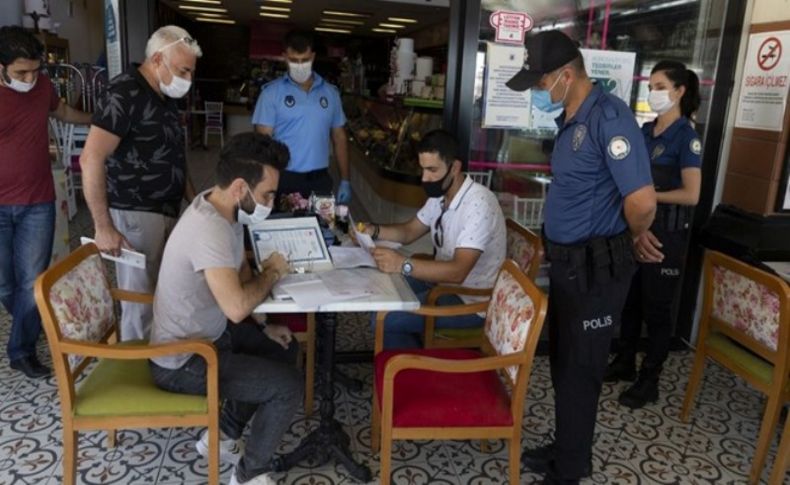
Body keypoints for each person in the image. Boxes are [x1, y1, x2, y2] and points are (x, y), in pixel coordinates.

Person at [506, 31, 656, 484]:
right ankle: (568, 447)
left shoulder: (610, 117)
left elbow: (643, 201)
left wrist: (631, 236)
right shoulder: (572, 116)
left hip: (597, 266)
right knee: (564, 362)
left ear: (566, 75)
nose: (536, 91)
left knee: (582, 369)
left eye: (540, 82)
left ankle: (571, 469)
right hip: (570, 263)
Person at [149, 132, 302, 485]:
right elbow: (235, 306)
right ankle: (250, 475)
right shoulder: (209, 229)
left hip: (212, 333)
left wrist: (263, 326)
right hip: (183, 359)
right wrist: (274, 271)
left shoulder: (222, 209)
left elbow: (241, 274)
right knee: (287, 386)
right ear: (239, 187)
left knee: (284, 348)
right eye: (266, 194)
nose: (270, 202)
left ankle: (223, 437)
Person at [81, 25, 200, 341]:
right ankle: (138, 369)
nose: (187, 80)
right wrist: (103, 227)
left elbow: (174, 157)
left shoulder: (165, 96)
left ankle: (163, 362)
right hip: (135, 212)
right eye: (183, 71)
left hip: (168, 209)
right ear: (158, 59)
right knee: (140, 300)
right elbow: (91, 158)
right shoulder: (124, 93)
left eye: (190, 73)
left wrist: (196, 202)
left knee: (167, 291)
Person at [605, 61, 702, 409]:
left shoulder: (686, 138)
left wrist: (645, 194)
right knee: (631, 299)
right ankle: (625, 361)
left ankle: (651, 379)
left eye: (660, 86)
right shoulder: (645, 132)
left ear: (679, 92)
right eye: (651, 85)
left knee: (657, 309)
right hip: (636, 228)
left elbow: (691, 195)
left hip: (666, 235)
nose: (653, 92)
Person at [359, 129, 506, 349]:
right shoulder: (441, 196)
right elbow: (409, 231)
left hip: (471, 300)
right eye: (422, 169)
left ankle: (410, 372)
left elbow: (458, 272)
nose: (425, 178)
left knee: (386, 317)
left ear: (455, 168)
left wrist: (402, 264)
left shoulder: (479, 204)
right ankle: (409, 362)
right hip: (442, 284)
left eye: (432, 170)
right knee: (380, 292)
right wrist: (373, 231)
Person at [0, 26, 91, 378]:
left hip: (37, 200)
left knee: (30, 281)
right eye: (21, 72)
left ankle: (20, 349)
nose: (30, 78)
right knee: (5, 284)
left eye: (35, 70)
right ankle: (34, 321)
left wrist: (98, 121)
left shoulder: (42, 87)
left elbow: (64, 112)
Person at [252, 30, 351, 207]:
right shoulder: (271, 94)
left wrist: (345, 179)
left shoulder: (331, 93)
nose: (300, 65)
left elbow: (340, 138)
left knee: (322, 230)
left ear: (313, 56)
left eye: (304, 60)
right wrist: (263, 184)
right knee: (287, 231)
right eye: (294, 60)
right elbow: (263, 143)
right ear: (284, 57)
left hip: (321, 180)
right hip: (285, 179)